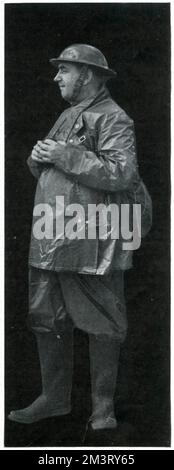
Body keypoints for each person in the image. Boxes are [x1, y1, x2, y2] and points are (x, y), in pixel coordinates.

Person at [8, 44, 152, 443]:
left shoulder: (114, 118)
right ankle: (54, 398)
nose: (57, 78)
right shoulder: (68, 114)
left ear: (86, 74)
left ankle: (102, 408)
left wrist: (65, 154)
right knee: (45, 316)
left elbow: (122, 173)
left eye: (64, 71)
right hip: (50, 233)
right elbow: (53, 167)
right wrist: (39, 158)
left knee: (103, 321)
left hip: (90, 238)